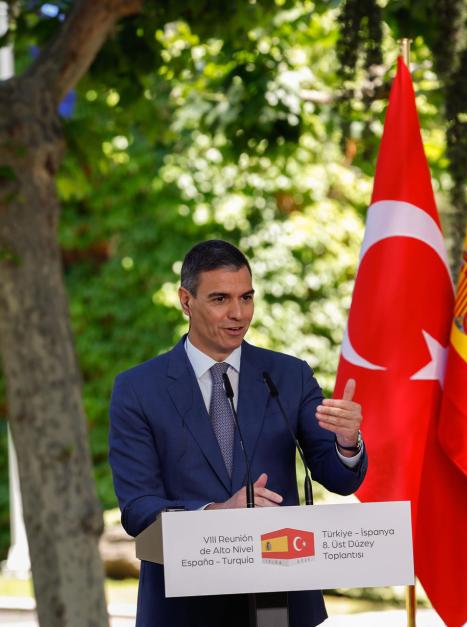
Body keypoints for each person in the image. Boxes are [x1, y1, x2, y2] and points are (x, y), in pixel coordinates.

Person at [108, 240, 367, 627]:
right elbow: (138, 508)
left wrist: (348, 443)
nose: (238, 313)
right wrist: (214, 514)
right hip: (182, 608)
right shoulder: (138, 389)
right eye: (220, 299)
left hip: (280, 603)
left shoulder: (288, 376)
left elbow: (338, 478)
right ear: (185, 300)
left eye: (246, 298)